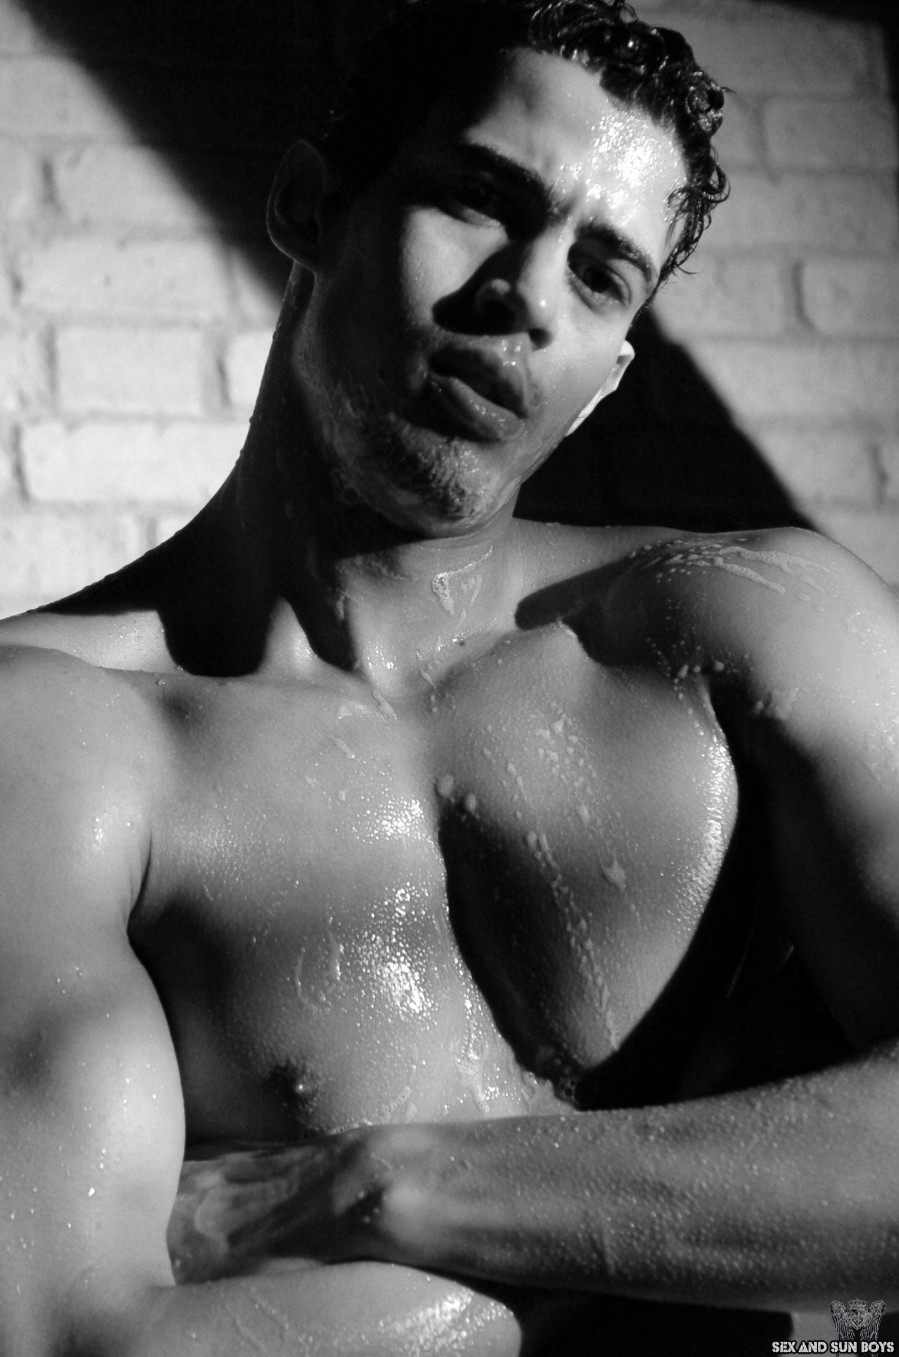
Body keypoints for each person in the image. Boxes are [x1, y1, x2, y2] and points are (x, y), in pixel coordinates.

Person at [1, 0, 898, 1352]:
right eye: (483, 201)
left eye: (601, 274)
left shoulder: (757, 630)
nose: (528, 296)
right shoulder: (50, 738)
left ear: (610, 377)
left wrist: (388, 1189)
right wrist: (753, 1227)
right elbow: (77, 1335)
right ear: (312, 206)